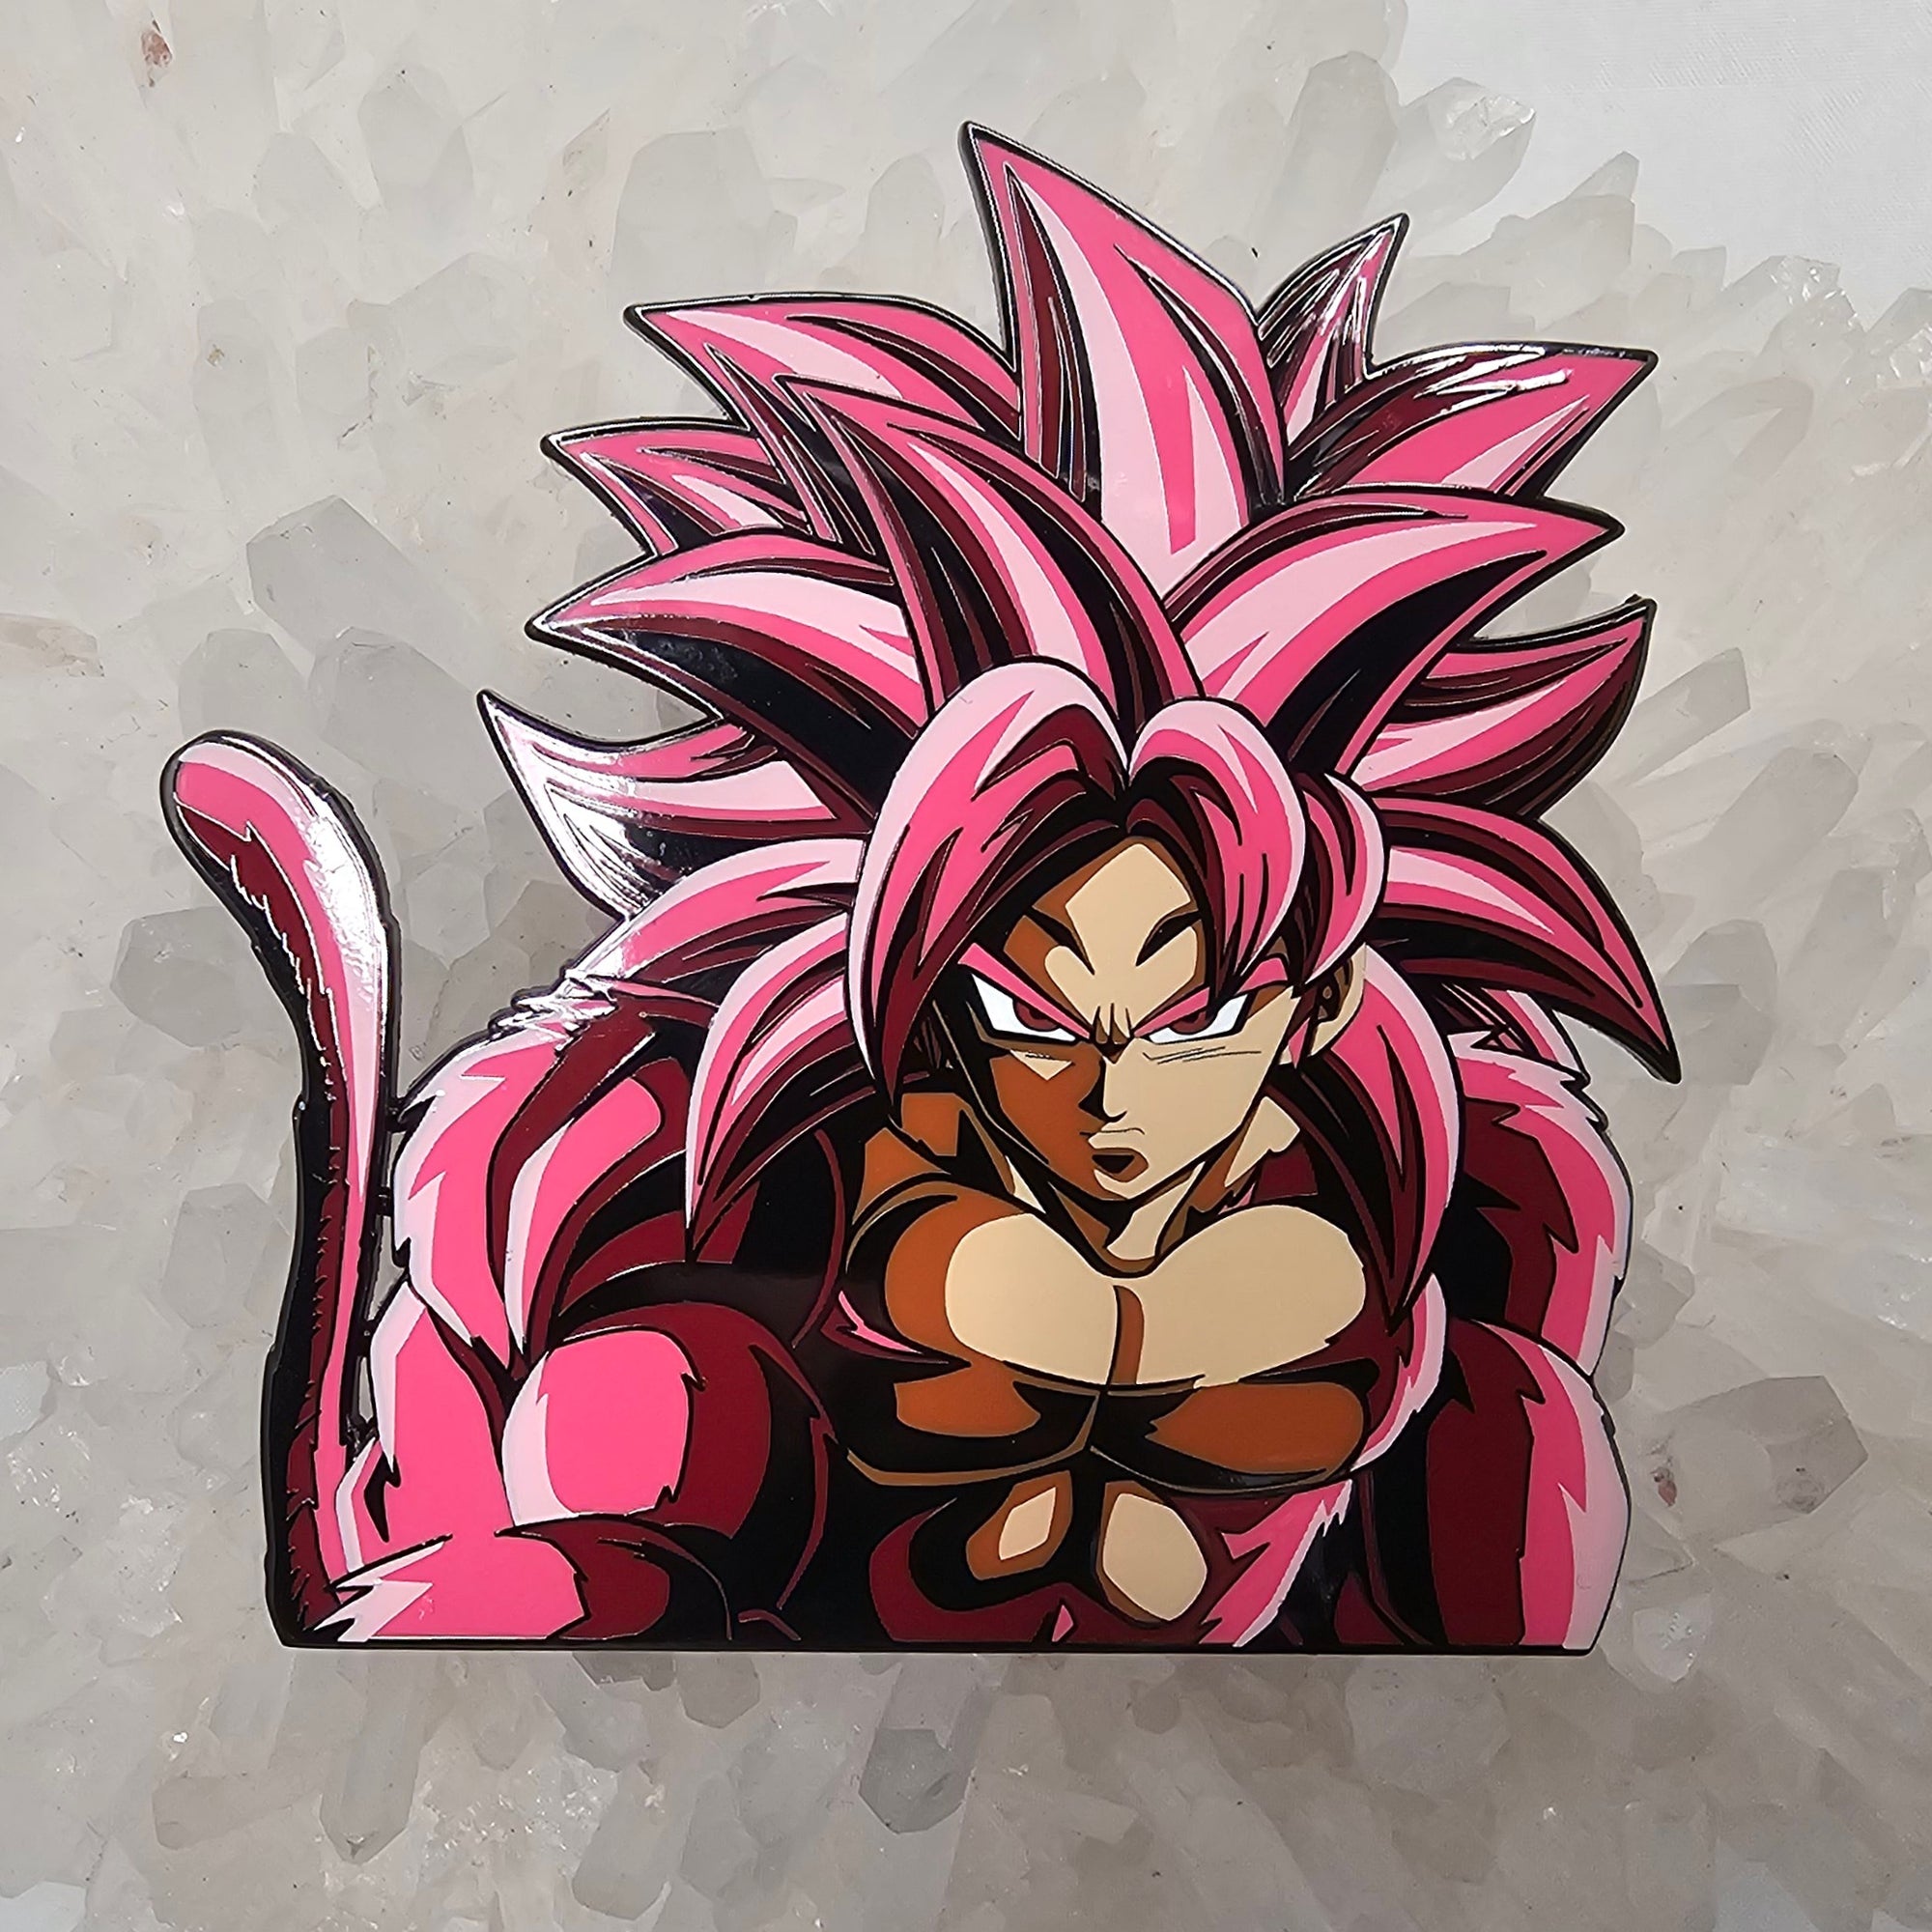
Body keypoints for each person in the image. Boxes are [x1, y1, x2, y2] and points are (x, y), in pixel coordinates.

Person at [164, 127, 1675, 1651]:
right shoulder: (664, 1174)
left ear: (1317, 999)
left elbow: (1497, 1618)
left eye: (1193, 1022)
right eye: (1032, 1018)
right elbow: (496, 1556)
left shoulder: (1458, 1209)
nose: (1110, 1092)